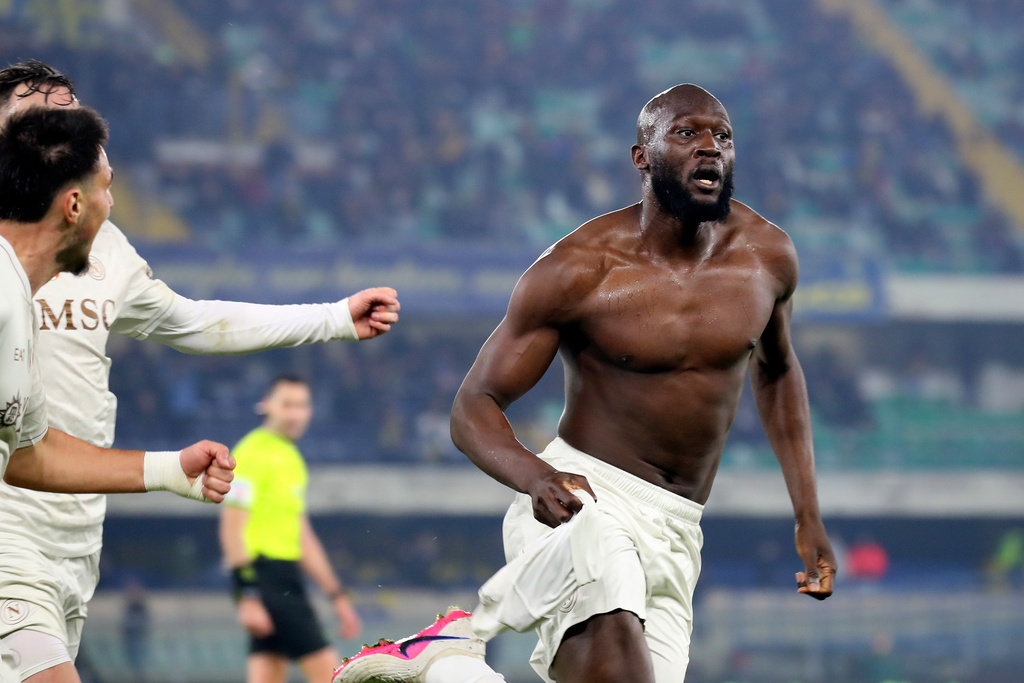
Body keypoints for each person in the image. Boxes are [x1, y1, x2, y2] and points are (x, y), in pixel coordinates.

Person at [333, 84, 836, 683]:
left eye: (722, 136)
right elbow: (473, 407)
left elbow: (777, 373)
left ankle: (446, 670)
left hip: (678, 529)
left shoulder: (768, 256)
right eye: (686, 133)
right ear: (641, 156)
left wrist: (807, 514)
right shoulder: (578, 269)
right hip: (583, 503)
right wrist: (534, 478)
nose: (709, 148)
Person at [0, 60, 400, 683]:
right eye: (38, 117)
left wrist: (331, 318)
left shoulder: (98, 242)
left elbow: (192, 323)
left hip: (73, 521)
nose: (58, 129)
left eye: (67, 116)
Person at [0, 104, 235, 683]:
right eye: (108, 189)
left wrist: (167, 469)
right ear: (74, 205)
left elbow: (32, 455)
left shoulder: (25, 313)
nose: (114, 206)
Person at [219, 375, 362, 683]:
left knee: (267, 674)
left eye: (302, 405)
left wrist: (336, 596)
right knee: (333, 675)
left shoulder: (291, 457)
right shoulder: (251, 453)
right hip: (266, 579)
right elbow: (231, 528)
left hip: (286, 577)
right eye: (287, 405)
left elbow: (301, 534)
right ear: (267, 406)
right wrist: (248, 595)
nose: (295, 413)